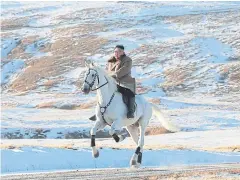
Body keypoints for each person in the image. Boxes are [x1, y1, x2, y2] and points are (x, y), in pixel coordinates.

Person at [89, 45, 136, 121]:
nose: (117, 53)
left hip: (124, 82)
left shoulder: (128, 60)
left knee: (129, 93)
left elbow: (124, 70)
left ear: (123, 52)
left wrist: (111, 75)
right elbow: (106, 71)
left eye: (119, 51)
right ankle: (99, 112)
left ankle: (131, 111)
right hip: (112, 82)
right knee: (101, 92)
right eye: (115, 51)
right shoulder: (110, 61)